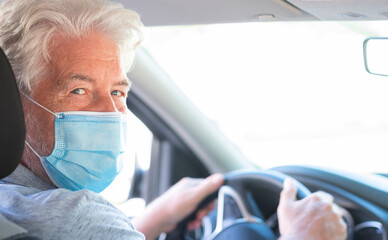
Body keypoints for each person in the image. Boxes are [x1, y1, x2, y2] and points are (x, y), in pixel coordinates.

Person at [0, 0, 347, 239]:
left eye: (118, 92)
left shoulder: (13, 208)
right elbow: (81, 225)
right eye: (78, 91)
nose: (110, 113)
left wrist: (151, 220)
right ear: (13, 103)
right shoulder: (76, 214)